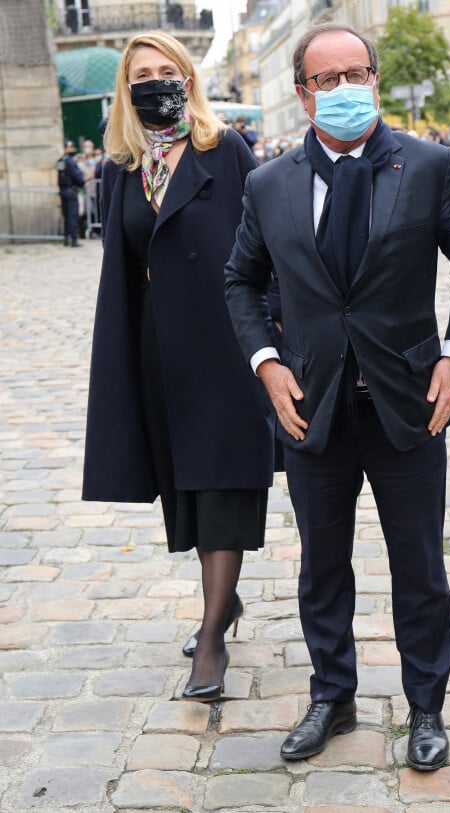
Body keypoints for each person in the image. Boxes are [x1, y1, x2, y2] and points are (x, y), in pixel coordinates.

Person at [225, 22, 450, 769]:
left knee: (418, 564)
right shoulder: (268, 183)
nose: (346, 89)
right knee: (321, 565)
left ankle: (426, 707)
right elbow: (240, 280)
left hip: (409, 402)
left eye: (358, 74)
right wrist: (267, 362)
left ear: (375, 78)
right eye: (328, 79)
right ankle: (332, 695)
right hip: (310, 407)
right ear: (302, 93)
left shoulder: (430, 165)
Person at [82, 30, 276, 703]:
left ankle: (214, 632)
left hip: (227, 345)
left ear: (189, 78)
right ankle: (222, 603)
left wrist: (274, 331)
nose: (157, 81)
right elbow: (121, 263)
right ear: (126, 88)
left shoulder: (225, 150)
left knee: (224, 485)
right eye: (143, 73)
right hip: (160, 349)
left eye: (168, 69)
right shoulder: (120, 167)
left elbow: (264, 245)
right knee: (190, 490)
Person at [56, 140, 85, 247]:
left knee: (66, 215)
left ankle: (66, 238)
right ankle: (73, 239)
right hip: (71, 190)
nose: (72, 149)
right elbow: (76, 175)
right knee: (72, 215)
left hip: (63, 190)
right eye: (71, 147)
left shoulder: (60, 160)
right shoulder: (70, 161)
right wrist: (82, 182)